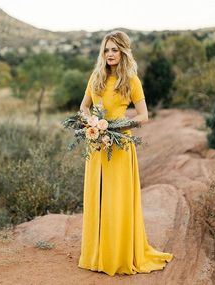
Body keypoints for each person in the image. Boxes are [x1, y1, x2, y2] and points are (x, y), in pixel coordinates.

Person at [78, 30, 174, 276]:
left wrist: (119, 126)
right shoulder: (96, 77)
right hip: (97, 145)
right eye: (107, 49)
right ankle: (97, 254)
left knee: (116, 201)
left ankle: (118, 254)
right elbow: (83, 107)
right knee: (97, 198)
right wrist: (91, 123)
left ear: (123, 51)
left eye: (115, 49)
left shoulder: (131, 80)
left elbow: (144, 116)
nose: (110, 54)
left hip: (120, 146)